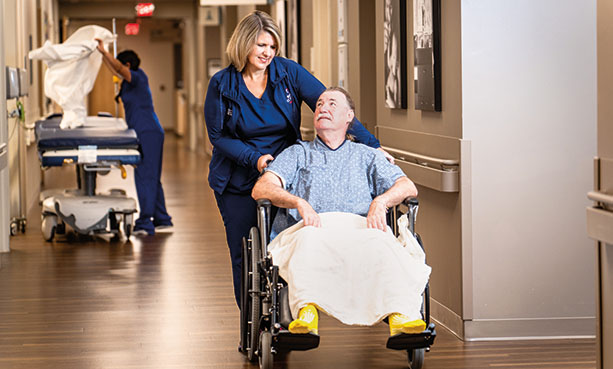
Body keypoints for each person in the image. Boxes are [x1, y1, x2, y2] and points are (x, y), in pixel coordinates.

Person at [204, 10, 389, 307]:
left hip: (285, 175)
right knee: (245, 252)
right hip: (237, 178)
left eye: (272, 47)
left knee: (283, 245)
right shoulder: (222, 84)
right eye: (261, 45)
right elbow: (218, 137)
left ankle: (287, 314)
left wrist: (372, 146)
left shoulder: (288, 72)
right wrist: (255, 158)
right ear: (243, 44)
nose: (267, 53)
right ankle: (250, 320)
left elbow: (333, 105)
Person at [252, 87, 430, 336]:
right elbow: (262, 188)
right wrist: (298, 202)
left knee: (382, 242)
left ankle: (400, 314)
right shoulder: (297, 153)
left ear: (349, 117)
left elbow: (406, 186)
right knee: (309, 240)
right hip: (310, 228)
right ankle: (306, 311)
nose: (322, 107)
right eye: (320, 104)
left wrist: (381, 202)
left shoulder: (367, 155)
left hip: (358, 230)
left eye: (332, 104)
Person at [96, 40, 173, 236]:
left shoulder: (138, 77)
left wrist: (105, 52)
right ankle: (162, 219)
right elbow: (116, 70)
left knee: (145, 176)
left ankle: (146, 221)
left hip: (148, 132)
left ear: (128, 65)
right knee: (152, 176)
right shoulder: (129, 82)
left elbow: (119, 69)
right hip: (145, 131)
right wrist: (102, 55)